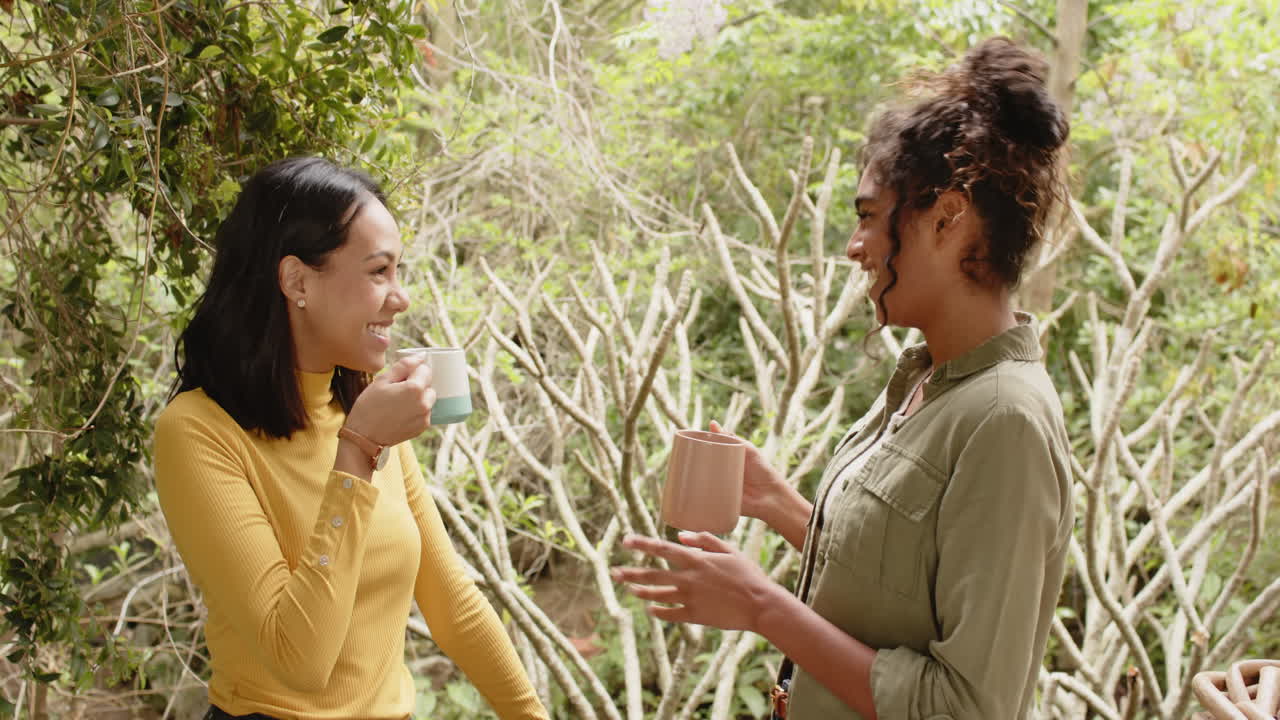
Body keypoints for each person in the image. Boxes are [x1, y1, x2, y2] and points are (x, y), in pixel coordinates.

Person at [612, 37, 1075, 719]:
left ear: (947, 219)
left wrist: (763, 607)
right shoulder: (926, 380)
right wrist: (780, 504)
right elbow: (898, 591)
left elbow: (966, 707)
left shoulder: (1006, 421)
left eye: (868, 217)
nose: (855, 247)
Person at [154, 157, 547, 720]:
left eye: (398, 271)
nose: (400, 297)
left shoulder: (360, 407)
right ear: (297, 281)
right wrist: (357, 450)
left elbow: (452, 603)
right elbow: (299, 660)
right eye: (379, 271)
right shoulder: (197, 431)